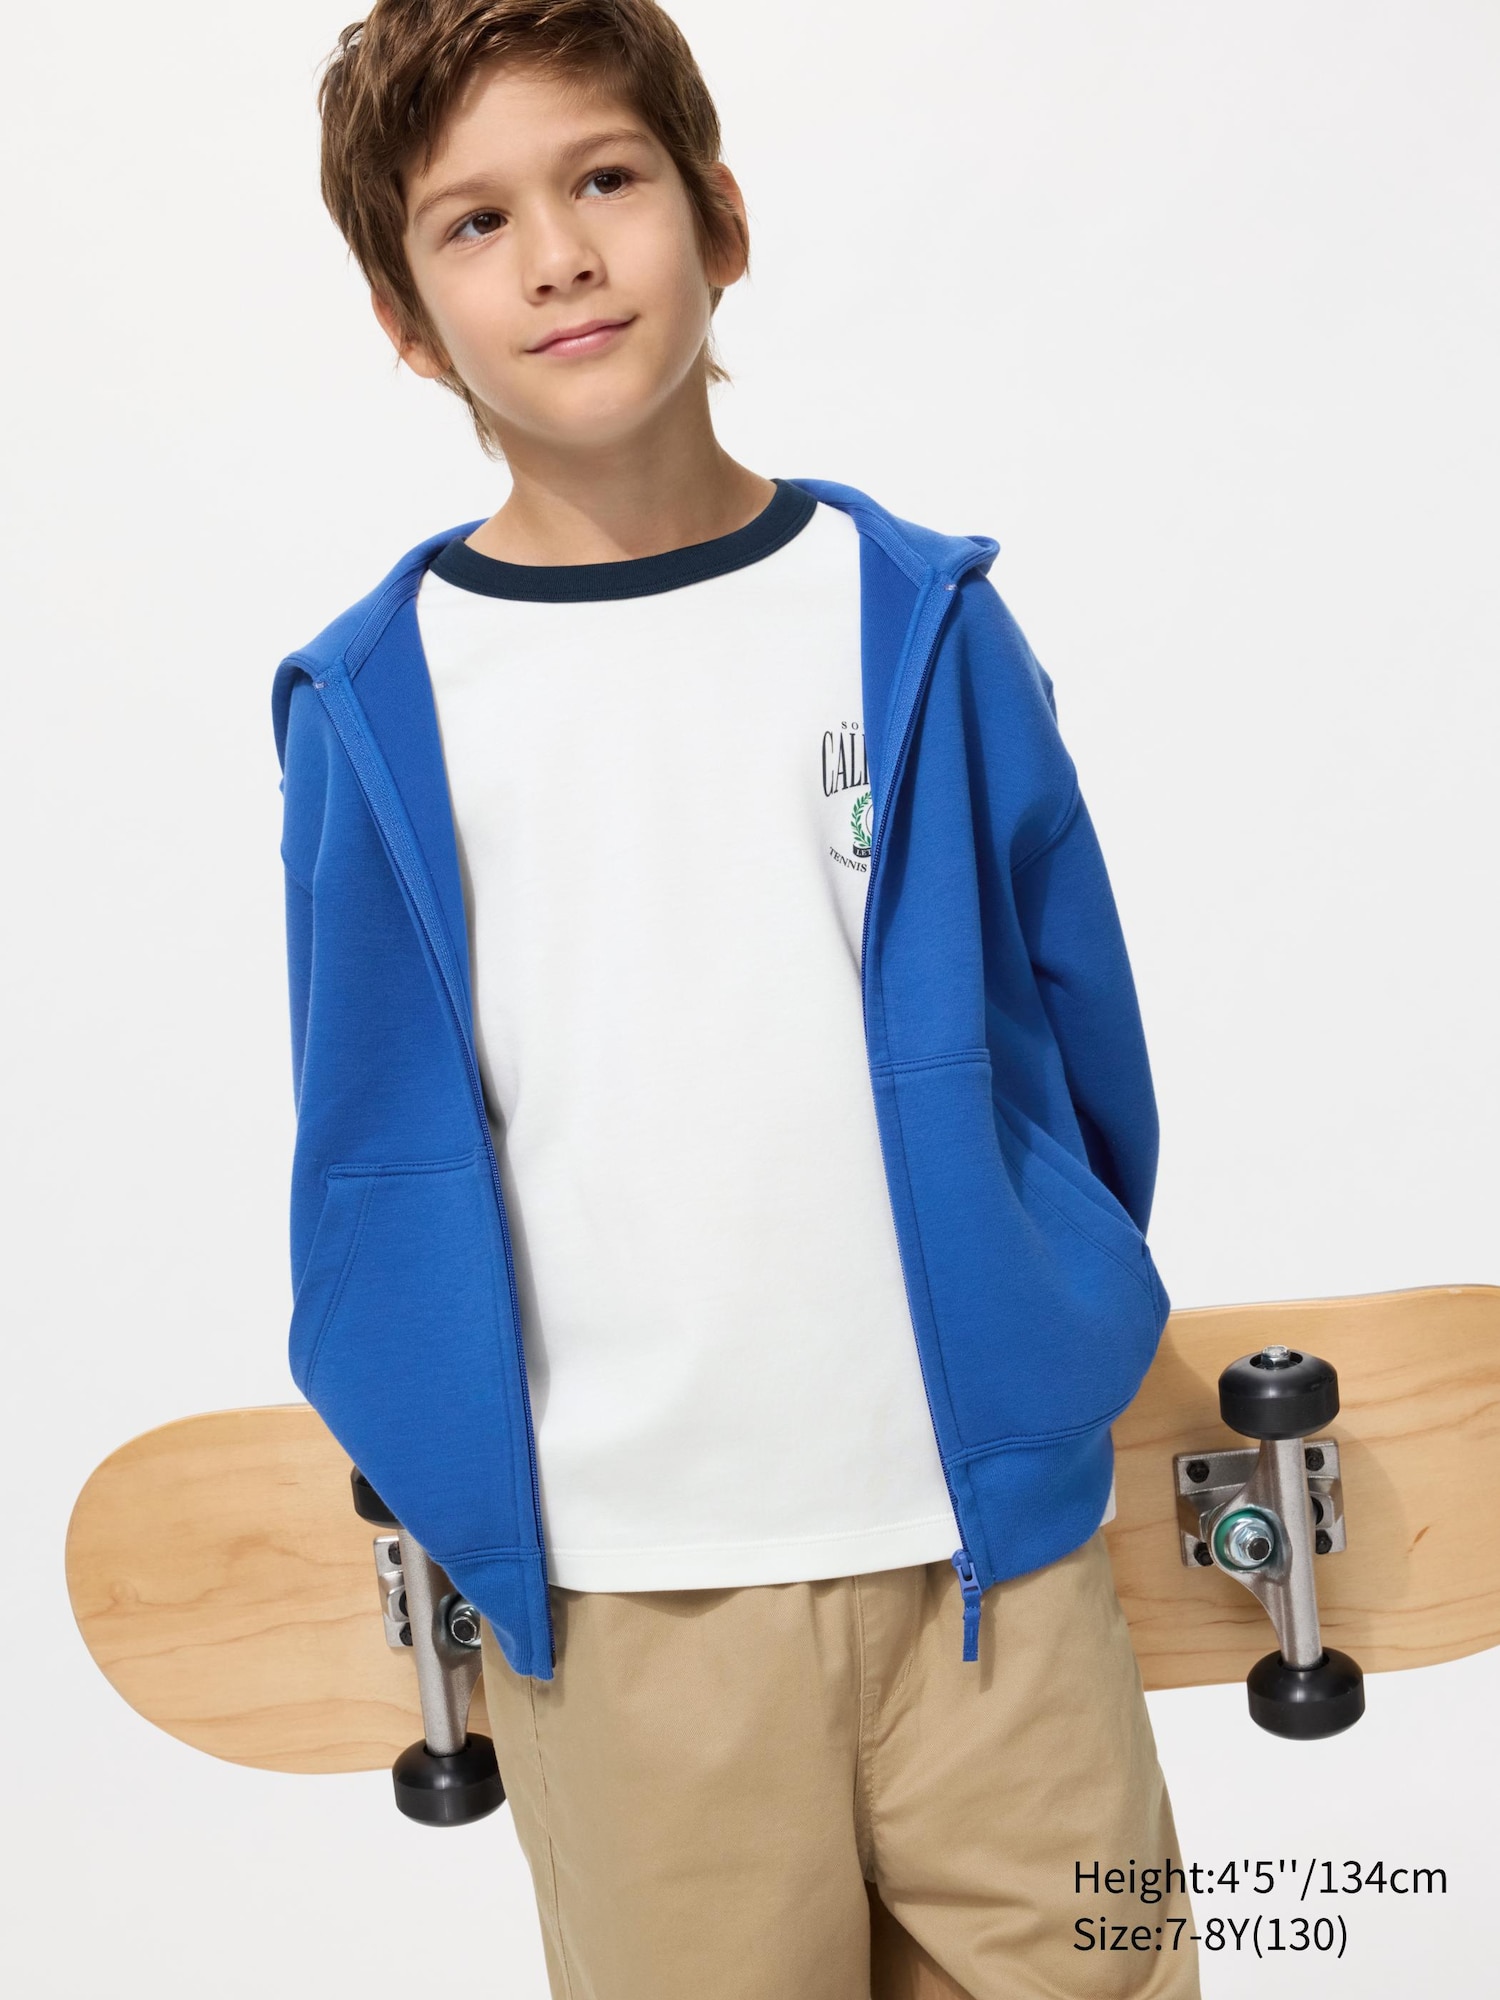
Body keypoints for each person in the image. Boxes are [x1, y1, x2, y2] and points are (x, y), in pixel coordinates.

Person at [276, 3, 1200, 1994]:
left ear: (720, 216)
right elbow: (366, 1145)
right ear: (408, 323)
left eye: (605, 179)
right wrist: (455, 1469)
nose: (560, 256)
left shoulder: (912, 615)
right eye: (475, 222)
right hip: (624, 1611)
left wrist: (1046, 1344)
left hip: (995, 1575)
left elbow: (1079, 1047)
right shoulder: (381, 703)